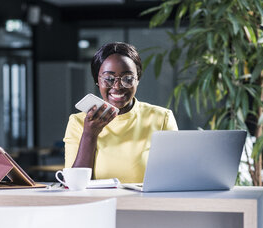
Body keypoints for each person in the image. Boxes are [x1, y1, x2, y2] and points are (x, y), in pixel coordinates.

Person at [63, 42, 178, 183]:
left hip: (145, 203)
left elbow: (174, 176)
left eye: (128, 79)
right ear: (97, 81)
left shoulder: (162, 118)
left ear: (138, 80)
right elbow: (74, 184)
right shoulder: (78, 122)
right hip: (97, 204)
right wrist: (89, 135)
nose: (117, 87)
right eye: (109, 79)